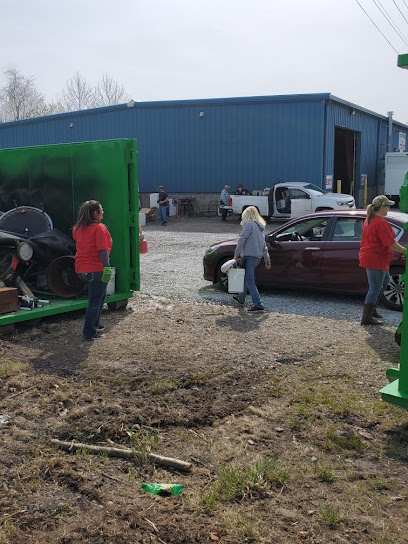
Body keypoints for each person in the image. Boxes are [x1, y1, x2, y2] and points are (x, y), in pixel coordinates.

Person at [359, 195, 406, 326]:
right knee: (374, 288)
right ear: (382, 207)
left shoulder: (372, 219)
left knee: (385, 282)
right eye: (388, 206)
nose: (389, 208)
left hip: (376, 258)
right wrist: (405, 251)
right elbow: (391, 243)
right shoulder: (380, 223)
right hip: (375, 259)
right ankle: (366, 317)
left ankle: (372, 308)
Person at [72, 200, 113, 341]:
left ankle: (96, 324)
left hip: (81, 269)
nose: (103, 212)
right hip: (96, 269)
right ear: (95, 213)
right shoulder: (99, 228)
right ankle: (89, 333)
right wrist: (107, 267)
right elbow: (102, 250)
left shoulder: (77, 229)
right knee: (95, 301)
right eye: (101, 210)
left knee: (99, 297)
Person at [233, 206, 271, 313]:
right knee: (246, 277)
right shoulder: (260, 228)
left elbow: (242, 240)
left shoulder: (249, 225)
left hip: (249, 257)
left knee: (250, 280)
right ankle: (241, 299)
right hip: (257, 258)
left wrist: (236, 254)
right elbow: (264, 247)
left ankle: (258, 304)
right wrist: (267, 261)